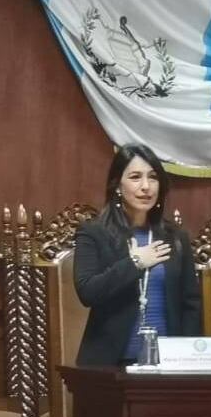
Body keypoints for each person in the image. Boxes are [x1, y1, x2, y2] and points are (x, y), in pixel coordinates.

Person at [74, 144, 202, 366]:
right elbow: (88, 292)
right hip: (109, 365)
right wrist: (135, 262)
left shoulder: (175, 237)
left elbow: (191, 303)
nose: (146, 187)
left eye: (153, 178)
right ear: (117, 185)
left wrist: (190, 359)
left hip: (169, 363)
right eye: (135, 177)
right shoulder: (94, 232)